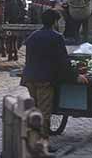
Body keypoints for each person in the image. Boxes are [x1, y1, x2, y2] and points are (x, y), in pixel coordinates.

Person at [21, 9, 73, 137]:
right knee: (44, 112)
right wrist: (75, 76)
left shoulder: (33, 36)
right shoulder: (57, 37)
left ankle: (32, 137)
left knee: (34, 109)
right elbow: (63, 61)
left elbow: (28, 58)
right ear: (55, 22)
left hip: (30, 78)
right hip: (44, 80)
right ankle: (42, 142)